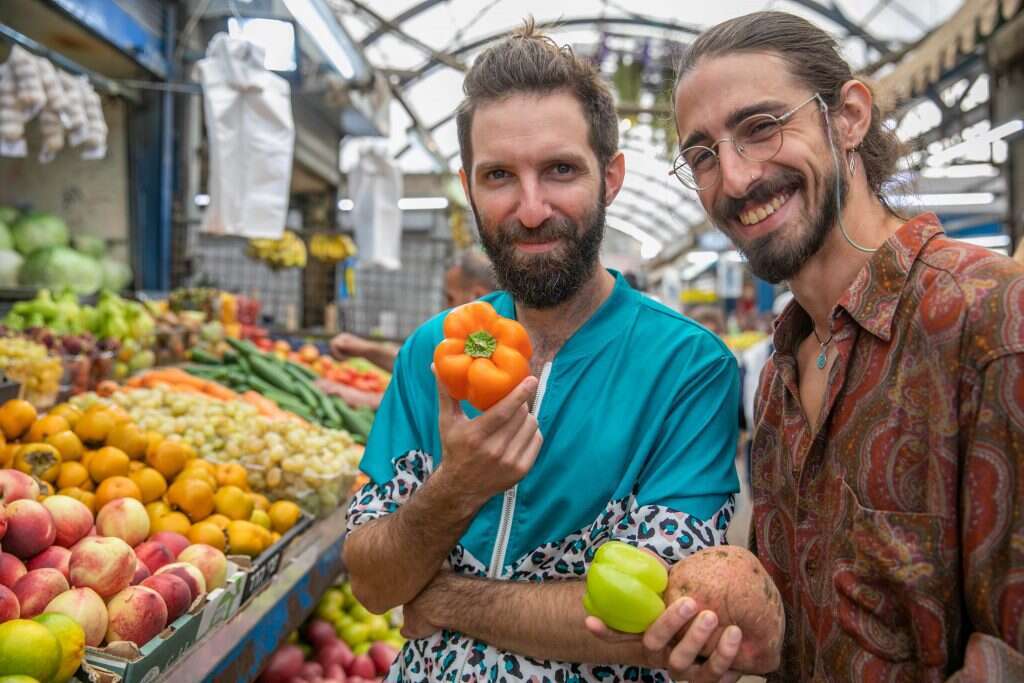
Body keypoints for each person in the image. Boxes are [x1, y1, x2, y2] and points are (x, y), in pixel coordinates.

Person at [597, 10, 1024, 681]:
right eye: (703, 155)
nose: (734, 180)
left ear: (848, 117)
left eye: (761, 128)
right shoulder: (776, 381)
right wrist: (763, 648)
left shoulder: (990, 318)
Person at [342, 20, 743, 682]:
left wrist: (440, 595)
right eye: (500, 175)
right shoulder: (431, 353)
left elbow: (654, 621)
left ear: (610, 178)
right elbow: (372, 582)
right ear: (469, 185)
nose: (530, 209)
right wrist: (456, 487)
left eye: (559, 170)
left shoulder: (688, 370)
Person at [328, 249, 496, 371]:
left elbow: (420, 369)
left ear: (477, 296)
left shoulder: (485, 348)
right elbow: (418, 362)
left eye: (450, 298)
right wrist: (363, 349)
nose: (447, 307)